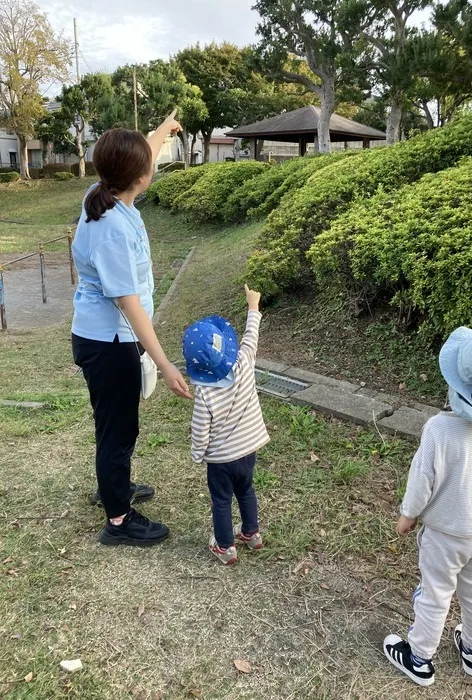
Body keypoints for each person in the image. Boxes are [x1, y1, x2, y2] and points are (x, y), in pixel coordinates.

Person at [72, 112, 192, 548]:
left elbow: (142, 155)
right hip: (110, 342)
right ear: (141, 177)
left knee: (114, 426)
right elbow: (129, 305)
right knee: (119, 430)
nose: (153, 164)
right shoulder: (112, 228)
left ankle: (113, 488)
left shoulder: (103, 192)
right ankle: (118, 520)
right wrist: (165, 363)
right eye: (150, 160)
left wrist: (162, 130)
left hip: (103, 338)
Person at [383, 327, 472, 687]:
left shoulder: (439, 429)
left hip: (445, 535)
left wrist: (408, 516)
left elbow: (421, 482)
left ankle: (419, 657)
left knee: (435, 593)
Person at [183, 285, 269, 564]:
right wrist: (253, 306)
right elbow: (251, 337)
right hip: (249, 449)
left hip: (220, 460)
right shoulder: (244, 361)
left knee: (221, 500)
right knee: (246, 489)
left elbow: (200, 430)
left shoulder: (204, 393)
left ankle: (225, 547)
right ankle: (252, 533)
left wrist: (198, 455)